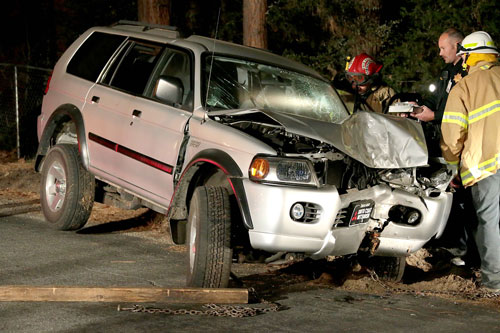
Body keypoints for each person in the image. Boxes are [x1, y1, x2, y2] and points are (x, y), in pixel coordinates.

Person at [440, 31, 500, 292]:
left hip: (484, 166)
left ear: (468, 57)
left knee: (489, 223)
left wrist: (452, 164)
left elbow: (453, 136)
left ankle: (494, 283)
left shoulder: (464, 86)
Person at [411, 28, 467, 123]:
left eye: (443, 48)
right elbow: (436, 98)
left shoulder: (468, 71)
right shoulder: (446, 72)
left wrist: (435, 116)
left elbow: (463, 109)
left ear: (457, 46)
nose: (440, 53)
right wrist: (418, 106)